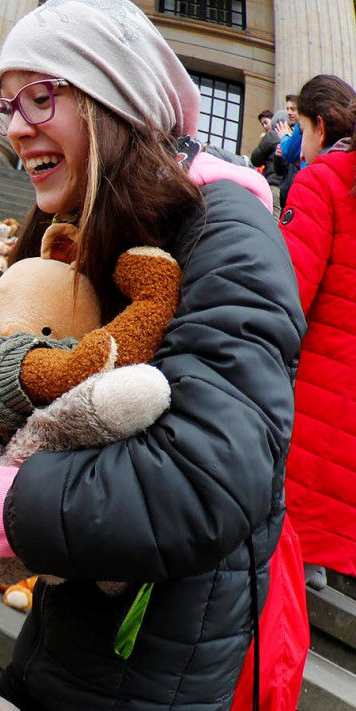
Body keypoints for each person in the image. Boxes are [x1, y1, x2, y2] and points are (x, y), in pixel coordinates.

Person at [0, 2, 305, 709]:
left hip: (153, 665)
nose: (16, 127)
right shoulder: (85, 228)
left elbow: (207, 480)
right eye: (6, 106)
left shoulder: (226, 231)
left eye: (39, 96)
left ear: (113, 103)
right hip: (73, 638)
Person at [277, 73, 356, 593]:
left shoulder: (322, 181)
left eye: (300, 129)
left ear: (320, 128)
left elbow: (285, 297)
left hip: (312, 402)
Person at [250, 109, 285, 214]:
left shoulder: (271, 136)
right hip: (286, 189)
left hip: (272, 185)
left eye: (266, 122)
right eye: (263, 124)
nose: (265, 126)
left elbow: (255, 159)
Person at [277, 93, 304, 206]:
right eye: (287, 109)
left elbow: (290, 152)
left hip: (299, 187)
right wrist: (277, 156)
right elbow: (279, 170)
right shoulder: (287, 130)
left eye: (293, 109)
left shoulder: (298, 130)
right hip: (286, 191)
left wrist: (284, 138)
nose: (289, 112)